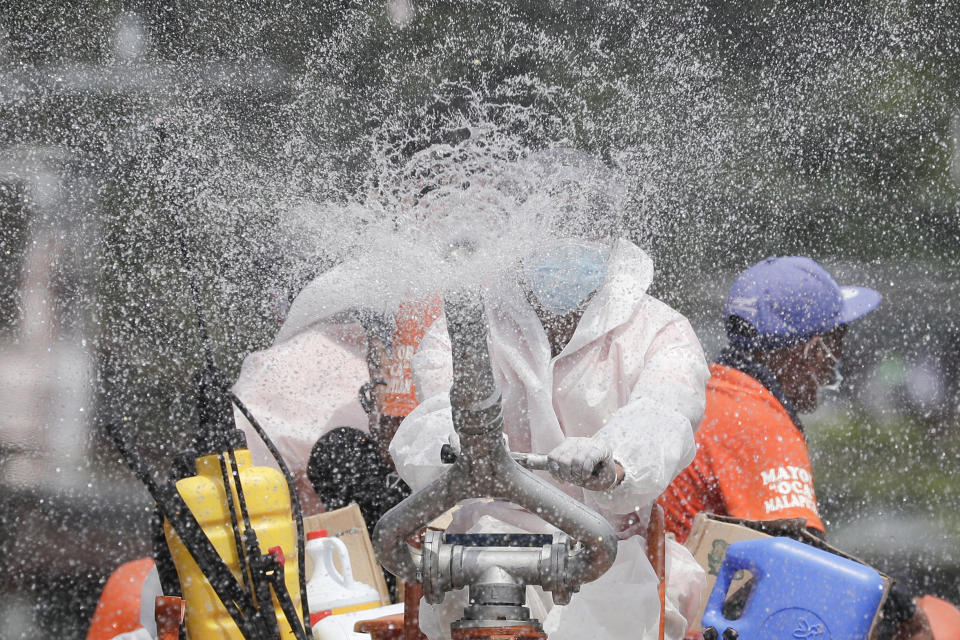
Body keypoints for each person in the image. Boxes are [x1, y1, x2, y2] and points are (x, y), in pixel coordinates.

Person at [390, 237, 712, 640]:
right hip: (489, 538)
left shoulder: (660, 331)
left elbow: (663, 413)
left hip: (610, 549)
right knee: (477, 593)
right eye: (557, 226)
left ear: (610, 232)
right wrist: (454, 451)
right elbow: (432, 416)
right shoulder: (469, 326)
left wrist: (613, 463)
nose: (569, 240)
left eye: (585, 226)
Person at [655, 255, 934, 640]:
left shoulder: (713, 390)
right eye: (836, 342)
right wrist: (902, 609)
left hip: (657, 608)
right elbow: (806, 567)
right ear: (812, 350)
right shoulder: (759, 422)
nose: (834, 362)